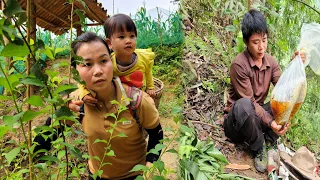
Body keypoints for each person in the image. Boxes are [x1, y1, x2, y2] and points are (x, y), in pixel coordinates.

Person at [69, 32, 163, 179]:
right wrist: (60, 116)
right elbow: (49, 133)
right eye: (87, 64)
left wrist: (149, 166)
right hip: (96, 174)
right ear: (75, 70)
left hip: (135, 175)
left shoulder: (136, 100)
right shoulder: (77, 102)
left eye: (103, 61)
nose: (98, 71)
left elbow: (157, 135)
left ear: (111, 61)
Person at [223, 9, 305, 173]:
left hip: (257, 117)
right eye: (255, 42)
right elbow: (250, 103)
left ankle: (268, 139)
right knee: (244, 105)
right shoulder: (239, 64)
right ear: (246, 42)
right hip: (238, 122)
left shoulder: (271, 62)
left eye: (264, 40)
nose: (261, 47)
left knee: (288, 101)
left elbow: (285, 89)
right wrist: (271, 122)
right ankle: (259, 147)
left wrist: (296, 65)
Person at [78, 14, 156, 107]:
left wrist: (150, 87)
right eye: (122, 37)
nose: (128, 41)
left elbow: (148, 72)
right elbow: (86, 80)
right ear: (110, 43)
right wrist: (83, 93)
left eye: (132, 36)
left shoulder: (143, 57)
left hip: (140, 100)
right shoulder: (108, 63)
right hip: (119, 103)